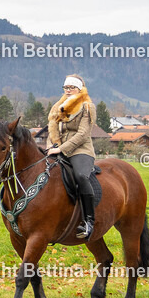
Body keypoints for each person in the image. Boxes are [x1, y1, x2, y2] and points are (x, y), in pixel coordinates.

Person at [47, 74, 97, 238]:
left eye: (71, 88)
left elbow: (83, 134)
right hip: (58, 147)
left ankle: (89, 221)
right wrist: (52, 146)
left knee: (81, 176)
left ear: (79, 89)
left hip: (81, 150)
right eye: (65, 88)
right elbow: (53, 129)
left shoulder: (87, 107)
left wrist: (61, 148)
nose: (68, 90)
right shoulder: (59, 107)